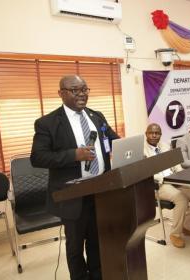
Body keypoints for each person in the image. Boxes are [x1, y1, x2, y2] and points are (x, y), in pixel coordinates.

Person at [31, 75, 119, 280]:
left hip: (100, 190)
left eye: (85, 89)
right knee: (75, 246)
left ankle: (98, 275)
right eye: (75, 90)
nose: (81, 94)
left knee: (97, 240)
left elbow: (112, 140)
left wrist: (128, 148)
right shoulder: (48, 123)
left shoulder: (96, 116)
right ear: (61, 93)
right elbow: (37, 157)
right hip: (72, 194)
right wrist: (73, 155)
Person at [144, 123, 190, 248]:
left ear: (161, 135)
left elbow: (175, 163)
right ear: (146, 134)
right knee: (181, 198)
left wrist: (180, 174)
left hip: (174, 179)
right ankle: (175, 234)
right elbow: (145, 174)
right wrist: (164, 178)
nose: (154, 135)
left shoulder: (165, 145)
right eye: (151, 133)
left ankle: (187, 226)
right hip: (158, 184)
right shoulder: (141, 150)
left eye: (157, 133)